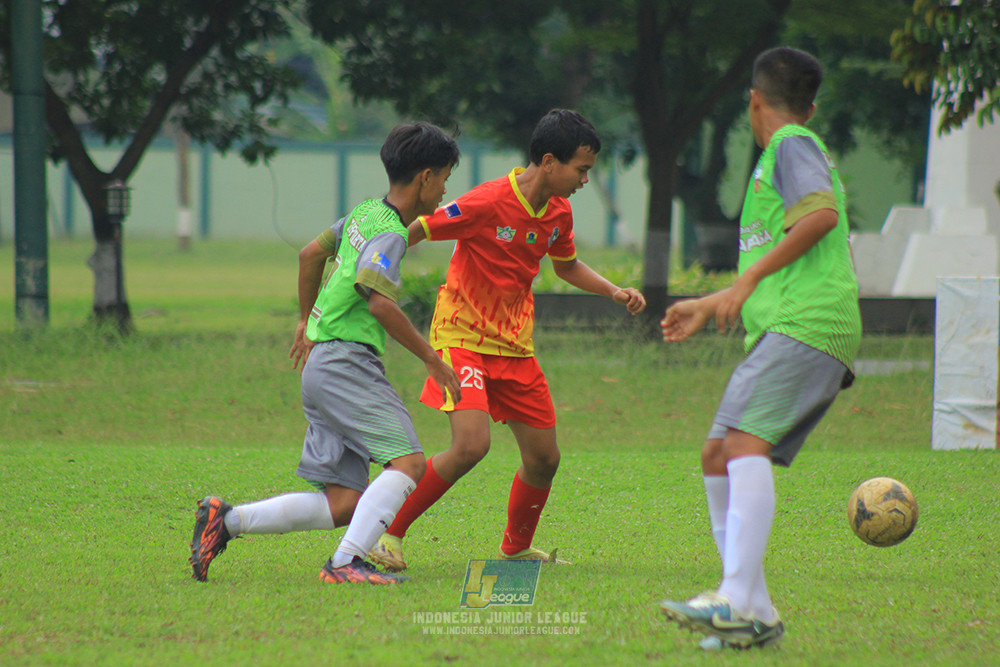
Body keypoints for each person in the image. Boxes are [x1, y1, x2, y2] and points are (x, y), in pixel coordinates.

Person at [367, 109, 646, 572]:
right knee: (471, 446)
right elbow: (414, 231)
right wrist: (369, 269)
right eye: (581, 170)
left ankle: (515, 548)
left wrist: (612, 291)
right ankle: (388, 534)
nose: (583, 180)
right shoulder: (487, 201)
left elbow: (566, 265)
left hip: (515, 346)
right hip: (462, 336)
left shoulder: (559, 210)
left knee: (544, 459)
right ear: (550, 161)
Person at [188, 122, 463, 585]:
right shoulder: (392, 233)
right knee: (410, 463)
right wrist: (432, 359)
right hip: (345, 365)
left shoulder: (364, 214)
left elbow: (309, 255)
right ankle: (344, 564)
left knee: (345, 503)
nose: (443, 191)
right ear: (425, 178)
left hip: (321, 365)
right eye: (444, 180)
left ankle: (225, 520)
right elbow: (379, 301)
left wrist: (304, 319)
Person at [657, 47, 862, 648]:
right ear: (811, 102)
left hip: (808, 323)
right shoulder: (789, 152)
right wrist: (715, 299)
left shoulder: (790, 145)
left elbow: (820, 217)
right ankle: (759, 614)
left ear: (753, 99)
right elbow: (792, 245)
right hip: (793, 323)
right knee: (719, 452)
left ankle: (736, 597)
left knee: (742, 444)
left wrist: (744, 282)